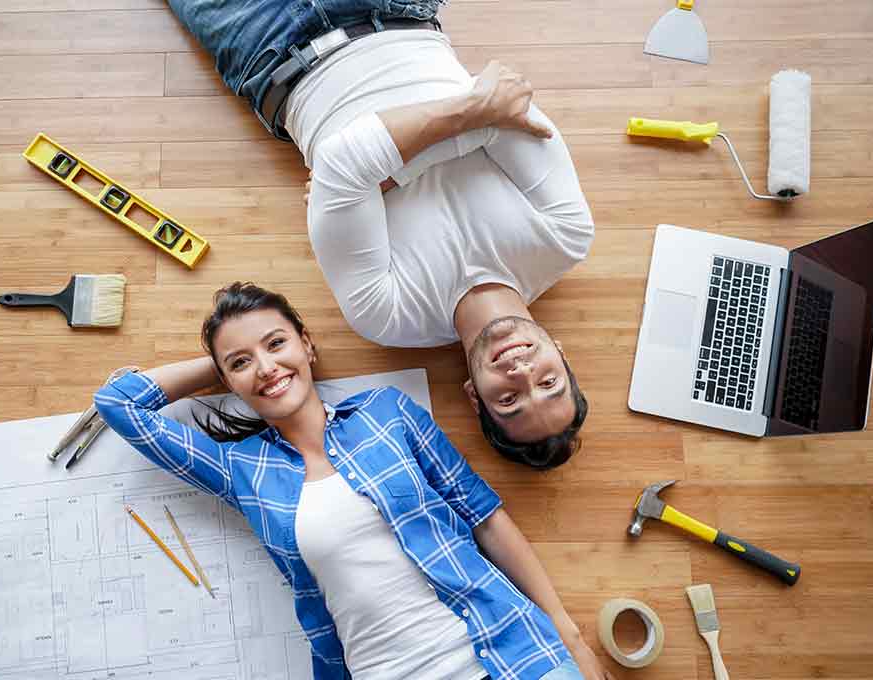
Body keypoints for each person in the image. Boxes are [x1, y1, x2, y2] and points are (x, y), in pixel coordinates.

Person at [94, 282, 613, 680]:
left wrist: (569, 636)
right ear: (226, 380)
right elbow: (120, 404)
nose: (267, 366)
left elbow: (487, 519)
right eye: (242, 362)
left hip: (515, 654)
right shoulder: (242, 471)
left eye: (277, 343)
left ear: (307, 345)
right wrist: (223, 368)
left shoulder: (387, 413)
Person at [166, 0, 595, 469]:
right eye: (549, 382)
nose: (522, 374)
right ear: (563, 354)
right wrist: (375, 183)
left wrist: (472, 115)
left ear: (475, 396)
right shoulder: (565, 238)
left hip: (265, 48)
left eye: (509, 400)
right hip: (395, 10)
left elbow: (487, 115)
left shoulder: (388, 319)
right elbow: (507, 109)